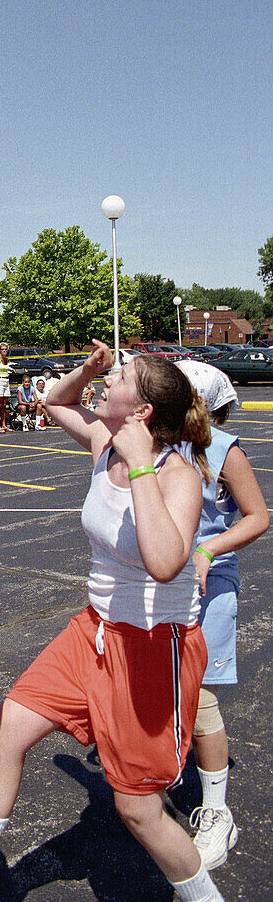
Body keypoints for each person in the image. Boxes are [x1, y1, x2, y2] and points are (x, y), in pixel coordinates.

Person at [0, 342, 227, 902]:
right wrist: (89, 368)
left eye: (118, 377)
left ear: (141, 410)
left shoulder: (178, 476)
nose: (106, 383)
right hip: (93, 630)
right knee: (7, 725)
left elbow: (166, 563)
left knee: (139, 809)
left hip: (154, 647)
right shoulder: (104, 445)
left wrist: (142, 462)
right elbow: (53, 400)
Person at [175, 360, 269, 870]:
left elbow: (258, 517)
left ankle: (217, 812)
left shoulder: (223, 448)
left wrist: (209, 551)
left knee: (200, 692)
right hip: (162, 580)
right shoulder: (157, 442)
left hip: (208, 582)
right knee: (167, 685)